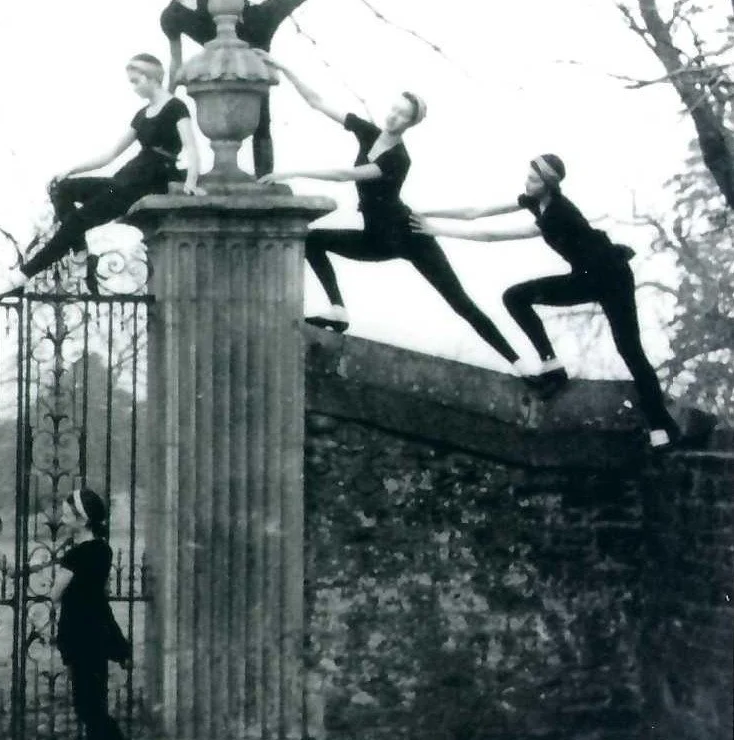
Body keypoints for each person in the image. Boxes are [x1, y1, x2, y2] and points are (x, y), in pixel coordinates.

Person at [257, 55, 535, 382]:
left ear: (411, 124)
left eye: (403, 116)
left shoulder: (399, 159)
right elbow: (318, 102)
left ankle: (522, 367)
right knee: (313, 240)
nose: (394, 117)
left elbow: (346, 174)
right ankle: (338, 310)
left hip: (409, 235)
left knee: (459, 301)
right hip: (376, 238)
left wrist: (291, 171)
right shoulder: (368, 133)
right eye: (394, 110)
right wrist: (284, 66)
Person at [411, 153, 682, 452]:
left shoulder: (557, 214)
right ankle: (552, 364)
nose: (527, 183)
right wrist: (424, 213)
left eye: (534, 180)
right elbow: (477, 212)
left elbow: (491, 236)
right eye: (528, 176)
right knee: (515, 297)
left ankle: (661, 425)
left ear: (549, 185)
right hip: (584, 276)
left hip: (612, 278)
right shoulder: (533, 200)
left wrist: (436, 231)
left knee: (630, 350)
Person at [0, 54, 204, 302]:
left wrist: (191, 184)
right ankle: (77, 247)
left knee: (77, 220)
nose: (133, 87)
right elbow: (110, 154)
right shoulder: (142, 114)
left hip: (151, 179)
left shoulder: (176, 107)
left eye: (136, 81)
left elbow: (192, 148)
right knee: (63, 188)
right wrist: (71, 170)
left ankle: (22, 277)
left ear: (152, 78)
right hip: (127, 177)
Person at [159, 0, 340, 177]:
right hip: (239, 50)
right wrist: (169, 96)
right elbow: (176, 60)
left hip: (258, 21)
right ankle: (265, 177)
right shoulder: (170, 16)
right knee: (261, 113)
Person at [52, 487, 145, 740]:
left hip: (79, 637)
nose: (63, 518)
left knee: (89, 709)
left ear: (83, 519)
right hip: (96, 635)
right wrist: (119, 646)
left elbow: (55, 593)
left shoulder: (76, 555)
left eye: (68, 514)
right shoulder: (101, 550)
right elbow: (99, 601)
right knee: (93, 707)